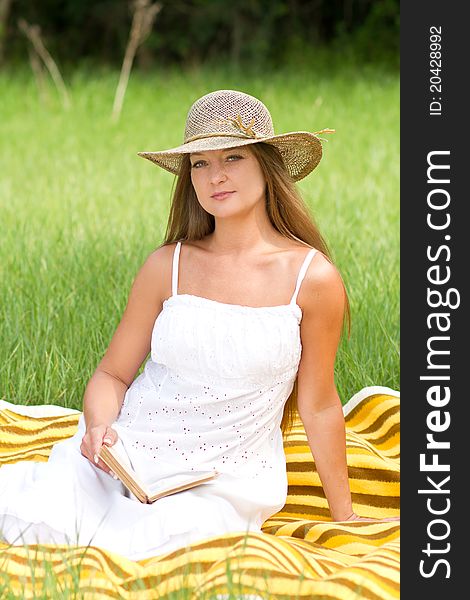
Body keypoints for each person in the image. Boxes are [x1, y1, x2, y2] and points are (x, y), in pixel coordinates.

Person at [0, 89, 397, 562]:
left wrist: (344, 515)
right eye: (200, 164)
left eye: (233, 157)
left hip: (219, 483)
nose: (215, 176)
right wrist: (100, 428)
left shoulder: (312, 279)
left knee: (173, 545)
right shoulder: (168, 265)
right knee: (37, 509)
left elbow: (319, 404)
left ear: (268, 167)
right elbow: (113, 375)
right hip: (126, 456)